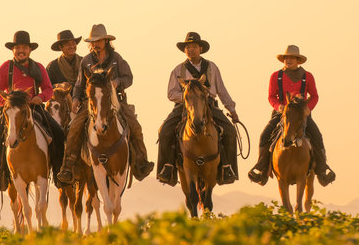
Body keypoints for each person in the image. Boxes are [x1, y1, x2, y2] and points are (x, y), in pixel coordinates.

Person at [57, 24, 154, 183]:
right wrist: (75, 99)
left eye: (99, 40)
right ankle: (68, 167)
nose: (95, 44)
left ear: (106, 41)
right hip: (92, 103)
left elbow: (128, 77)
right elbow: (80, 84)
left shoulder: (116, 58)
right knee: (74, 128)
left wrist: (117, 82)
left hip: (116, 101)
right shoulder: (86, 61)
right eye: (93, 41)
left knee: (135, 125)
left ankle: (141, 163)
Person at [156, 32, 239, 186]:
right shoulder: (178, 70)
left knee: (230, 132)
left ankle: (227, 167)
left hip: (209, 105)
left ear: (200, 48)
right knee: (165, 131)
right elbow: (171, 93)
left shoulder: (212, 67)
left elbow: (221, 90)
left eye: (194, 46)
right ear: (184, 50)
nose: (191, 50)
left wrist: (231, 109)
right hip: (184, 107)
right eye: (188, 47)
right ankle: (167, 167)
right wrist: (188, 97)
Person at [247, 45, 336, 186]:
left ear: (298, 60)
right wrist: (279, 107)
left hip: (302, 115)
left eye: (292, 58)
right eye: (286, 58)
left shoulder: (308, 77)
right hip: (281, 114)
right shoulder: (276, 76)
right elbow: (271, 97)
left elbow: (314, 96)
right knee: (264, 135)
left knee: (317, 136)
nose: (288, 60)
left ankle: (322, 170)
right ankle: (262, 169)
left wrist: (308, 108)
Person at [0, 31, 65, 191]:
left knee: (58, 133)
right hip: (11, 111)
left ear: (30, 50)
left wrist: (41, 97)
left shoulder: (38, 68)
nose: (21, 50)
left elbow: (48, 89)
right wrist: (4, 103)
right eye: (18, 48)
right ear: (13, 50)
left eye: (24, 47)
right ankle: (0, 173)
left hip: (33, 108)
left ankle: (59, 173)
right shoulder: (5, 68)